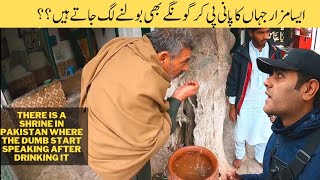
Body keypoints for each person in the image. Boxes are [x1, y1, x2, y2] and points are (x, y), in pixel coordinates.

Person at [79, 29, 199, 180]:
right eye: (184, 61)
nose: (186, 68)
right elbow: (159, 132)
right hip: (111, 156)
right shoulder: (144, 82)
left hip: (92, 131)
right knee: (138, 164)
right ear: (163, 58)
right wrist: (179, 95)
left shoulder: (125, 45)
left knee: (143, 162)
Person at [223, 48, 320, 180]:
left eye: (279, 75)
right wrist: (242, 179)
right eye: (271, 75)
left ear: (309, 89)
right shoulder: (280, 131)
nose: (267, 81)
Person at [226, 28, 282, 169]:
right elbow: (233, 79)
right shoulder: (241, 52)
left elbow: (281, 79)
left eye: (267, 32)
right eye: (260, 32)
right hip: (246, 100)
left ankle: (259, 156)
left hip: (266, 100)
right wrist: (232, 105)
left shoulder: (275, 52)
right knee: (240, 132)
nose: (265, 36)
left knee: (264, 132)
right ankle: (239, 155)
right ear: (251, 33)